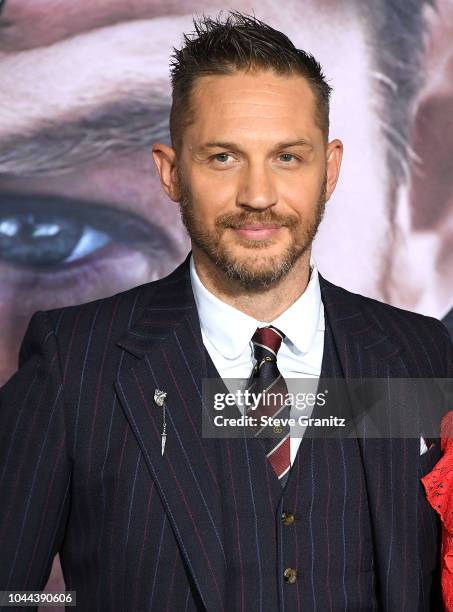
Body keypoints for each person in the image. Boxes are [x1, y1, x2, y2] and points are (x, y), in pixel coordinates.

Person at [0, 12, 451, 610]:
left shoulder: (418, 355)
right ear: (170, 172)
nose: (258, 195)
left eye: (288, 156)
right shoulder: (73, 361)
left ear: (331, 168)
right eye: (222, 157)